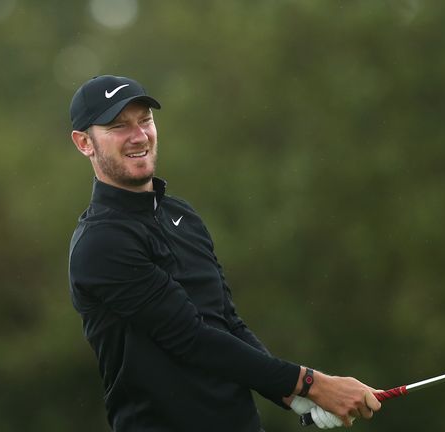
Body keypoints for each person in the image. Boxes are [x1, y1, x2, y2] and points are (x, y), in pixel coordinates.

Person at [67, 75, 381, 431]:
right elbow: (191, 338)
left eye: (145, 121)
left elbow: (226, 322)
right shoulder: (101, 243)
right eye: (118, 126)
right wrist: (313, 383)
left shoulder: (181, 216)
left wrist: (293, 397)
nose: (138, 135)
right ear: (84, 143)